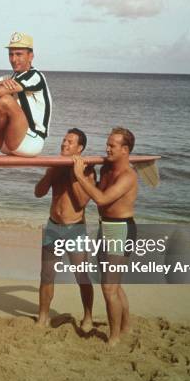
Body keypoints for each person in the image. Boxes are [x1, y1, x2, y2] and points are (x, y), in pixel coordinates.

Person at [72, 127, 137, 346]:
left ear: (125, 150)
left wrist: (80, 176)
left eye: (112, 145)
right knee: (114, 286)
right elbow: (97, 188)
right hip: (105, 227)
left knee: (109, 288)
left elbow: (101, 199)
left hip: (120, 229)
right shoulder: (108, 169)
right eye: (107, 144)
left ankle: (114, 337)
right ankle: (125, 326)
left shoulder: (128, 176)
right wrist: (88, 171)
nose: (107, 148)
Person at [34, 129, 95, 330]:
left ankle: (88, 316)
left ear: (80, 148)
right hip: (53, 226)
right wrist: (51, 172)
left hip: (74, 228)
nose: (64, 144)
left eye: (69, 142)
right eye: (63, 140)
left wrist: (74, 173)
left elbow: (81, 201)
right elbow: (38, 193)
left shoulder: (87, 170)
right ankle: (43, 316)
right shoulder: (55, 166)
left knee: (82, 275)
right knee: (47, 275)